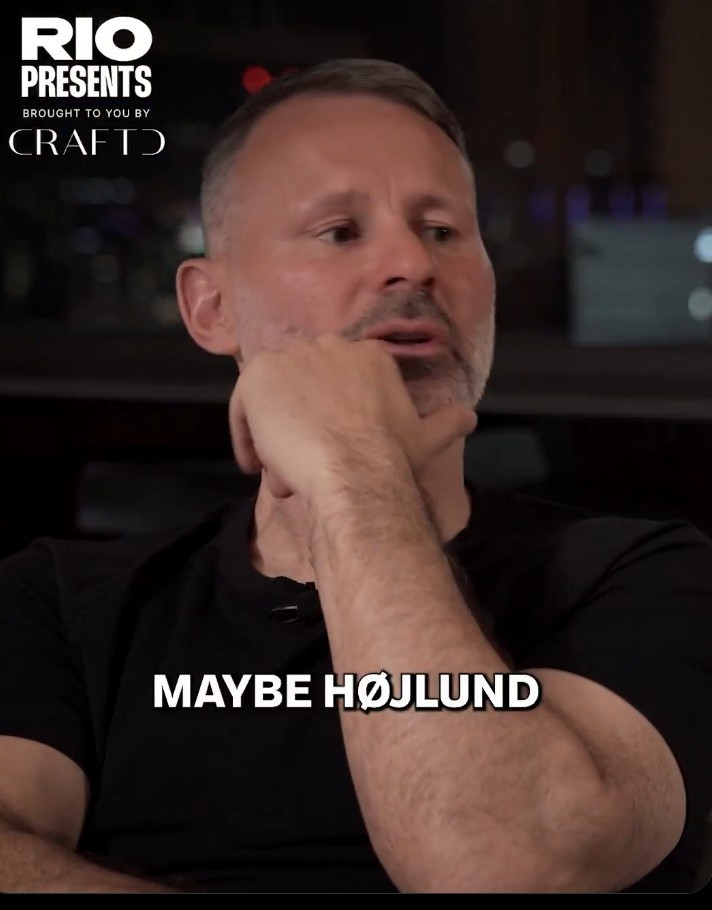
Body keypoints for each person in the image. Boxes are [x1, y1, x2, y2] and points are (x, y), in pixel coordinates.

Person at [0, 59, 711, 895]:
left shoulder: (642, 577)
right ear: (210, 308)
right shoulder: (61, 601)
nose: (412, 263)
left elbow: (500, 866)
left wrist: (351, 473)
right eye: (340, 231)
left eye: (443, 231)